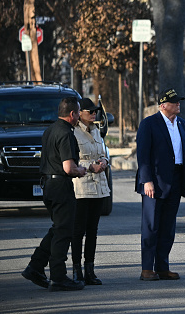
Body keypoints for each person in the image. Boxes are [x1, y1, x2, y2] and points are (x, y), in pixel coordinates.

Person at [22, 97, 88, 292]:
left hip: (48, 185)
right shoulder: (67, 133)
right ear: (72, 114)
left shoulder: (50, 130)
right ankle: (58, 277)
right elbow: (68, 167)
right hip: (61, 186)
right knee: (64, 232)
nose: (78, 118)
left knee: (58, 228)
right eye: (77, 114)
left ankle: (35, 266)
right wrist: (81, 170)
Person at [135, 88, 185, 281]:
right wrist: (147, 181)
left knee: (168, 226)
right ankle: (146, 269)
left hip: (176, 179)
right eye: (174, 102)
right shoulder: (149, 124)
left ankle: (162, 267)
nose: (178, 104)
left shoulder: (182, 124)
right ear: (163, 106)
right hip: (155, 181)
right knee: (151, 226)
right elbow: (143, 155)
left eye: (179, 101)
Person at [71, 98, 110, 286]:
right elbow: (71, 161)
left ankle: (90, 270)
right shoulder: (73, 133)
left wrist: (104, 162)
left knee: (93, 231)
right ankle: (76, 270)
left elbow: (102, 153)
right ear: (80, 113)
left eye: (95, 111)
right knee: (78, 230)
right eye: (90, 111)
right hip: (81, 187)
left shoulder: (96, 131)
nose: (94, 114)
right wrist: (90, 166)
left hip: (99, 187)